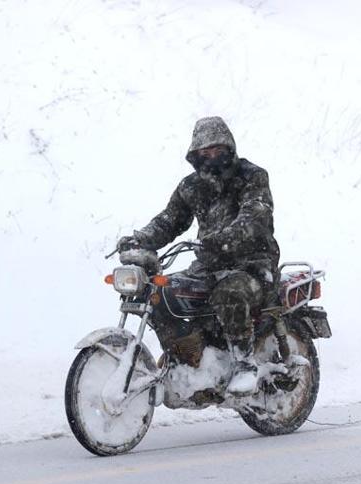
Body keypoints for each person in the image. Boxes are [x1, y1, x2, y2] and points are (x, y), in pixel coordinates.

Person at [117, 116, 280, 394]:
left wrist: (223, 240)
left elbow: (255, 217)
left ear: (229, 148)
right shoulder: (191, 186)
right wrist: (140, 239)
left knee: (229, 293)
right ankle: (184, 360)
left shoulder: (252, 176)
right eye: (205, 152)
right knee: (163, 293)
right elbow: (170, 220)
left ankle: (244, 363)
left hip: (252, 264)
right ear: (195, 154)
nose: (212, 156)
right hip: (208, 264)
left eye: (217, 150)